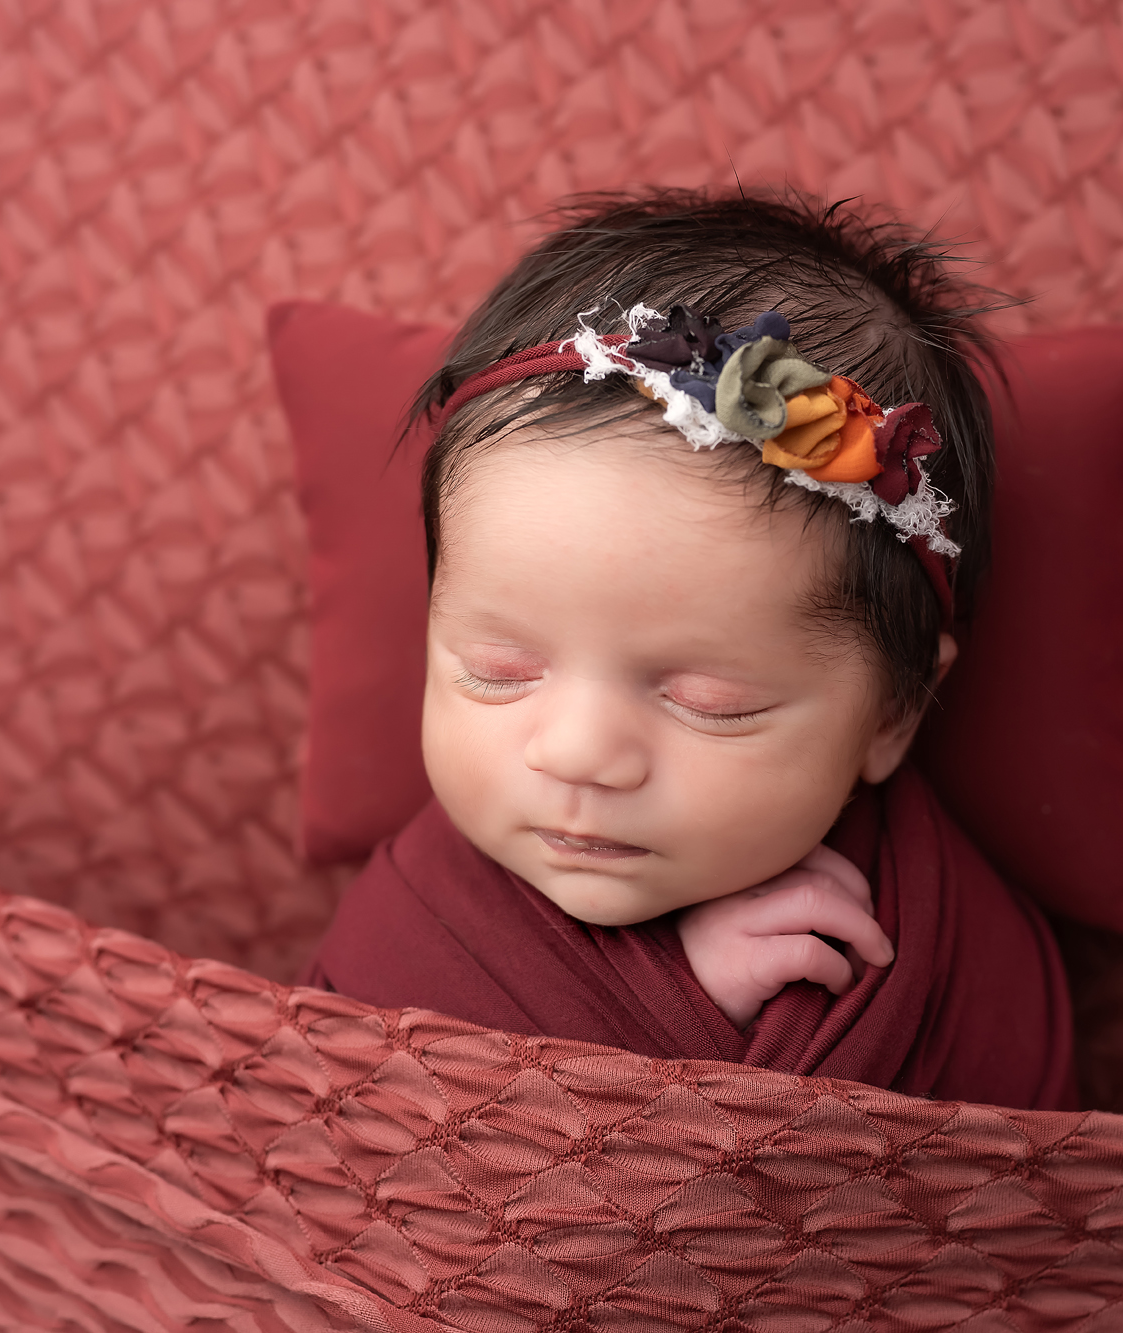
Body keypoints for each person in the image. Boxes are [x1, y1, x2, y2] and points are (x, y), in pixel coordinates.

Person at [300, 190, 1075, 1110]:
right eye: (498, 672)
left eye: (709, 700)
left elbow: (1023, 1200)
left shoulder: (937, 959)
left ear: (896, 709)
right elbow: (334, 1147)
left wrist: (727, 1031)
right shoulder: (419, 925)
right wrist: (669, 1009)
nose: (577, 752)